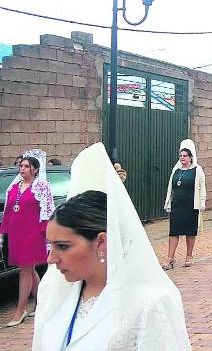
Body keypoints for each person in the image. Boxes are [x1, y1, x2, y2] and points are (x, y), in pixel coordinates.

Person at [32, 143, 191, 350]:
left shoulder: (149, 303)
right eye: (50, 245)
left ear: (101, 241)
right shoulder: (54, 291)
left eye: (63, 246)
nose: (51, 259)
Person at [0, 149, 55, 327]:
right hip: (17, 235)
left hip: (33, 235)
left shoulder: (42, 187)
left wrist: (47, 236)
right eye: (21, 166)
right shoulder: (13, 188)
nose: (22, 169)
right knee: (29, 270)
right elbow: (8, 213)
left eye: (26, 166)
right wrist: (2, 234)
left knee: (25, 270)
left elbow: (47, 213)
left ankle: (20, 310)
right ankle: (41, 304)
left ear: (35, 170)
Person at [162, 139, 207, 270]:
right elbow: (170, 187)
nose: (182, 158)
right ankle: (170, 259)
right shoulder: (176, 170)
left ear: (190, 157)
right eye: (180, 155)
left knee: (190, 232)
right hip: (177, 205)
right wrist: (168, 203)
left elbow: (202, 187)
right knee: (173, 232)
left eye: (184, 156)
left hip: (191, 206)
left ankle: (189, 256)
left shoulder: (197, 170)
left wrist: (202, 203)